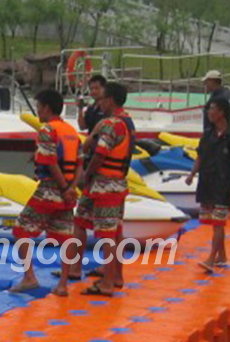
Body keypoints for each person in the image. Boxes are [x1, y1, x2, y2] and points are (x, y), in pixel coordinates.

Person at [8, 90, 81, 297]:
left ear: (47, 108)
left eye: (39, 107)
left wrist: (63, 188)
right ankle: (63, 285)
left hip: (50, 190)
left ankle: (29, 277)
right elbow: (80, 165)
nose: (38, 111)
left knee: (21, 229)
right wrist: (71, 188)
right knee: (66, 237)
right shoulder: (71, 131)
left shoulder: (47, 130)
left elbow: (49, 161)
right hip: (68, 194)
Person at [71, 82, 135, 296]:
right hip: (115, 183)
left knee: (107, 234)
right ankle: (114, 275)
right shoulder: (126, 121)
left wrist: (85, 175)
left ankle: (107, 282)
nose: (99, 102)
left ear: (110, 100)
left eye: (102, 99)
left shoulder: (112, 124)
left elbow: (100, 153)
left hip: (104, 185)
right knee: (88, 223)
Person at [185, 98, 230, 273]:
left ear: (221, 112)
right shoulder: (208, 134)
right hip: (208, 181)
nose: (208, 113)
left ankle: (211, 258)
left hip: (224, 184)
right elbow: (200, 156)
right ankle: (222, 256)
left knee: (219, 222)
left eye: (211, 109)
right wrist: (192, 174)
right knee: (213, 221)